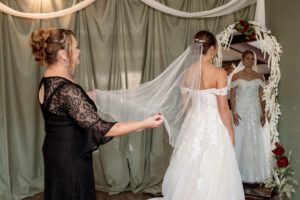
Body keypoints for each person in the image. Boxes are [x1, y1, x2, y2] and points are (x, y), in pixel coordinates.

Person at [92, 30, 245, 200]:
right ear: (212, 49)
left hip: (194, 123)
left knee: (191, 164)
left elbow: (186, 106)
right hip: (214, 124)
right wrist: (230, 132)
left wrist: (195, 120)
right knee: (215, 165)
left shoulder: (187, 73)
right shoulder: (219, 73)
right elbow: (223, 108)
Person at [30, 28, 164, 200]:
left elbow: (59, 106)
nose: (79, 51)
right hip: (70, 158)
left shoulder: (48, 80)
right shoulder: (67, 89)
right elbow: (101, 128)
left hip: (55, 152)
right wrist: (144, 123)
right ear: (63, 54)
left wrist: (84, 96)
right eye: (76, 47)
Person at [230, 50, 271, 183]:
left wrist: (264, 113)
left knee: (254, 140)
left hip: (255, 110)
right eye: (247, 58)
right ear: (242, 59)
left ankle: (255, 174)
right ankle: (238, 174)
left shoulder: (259, 75)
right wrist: (234, 112)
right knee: (240, 138)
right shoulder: (236, 76)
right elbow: (232, 96)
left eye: (252, 59)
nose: (250, 61)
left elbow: (261, 96)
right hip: (240, 110)